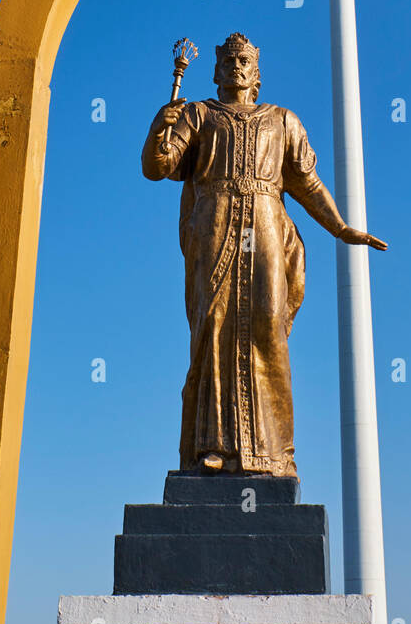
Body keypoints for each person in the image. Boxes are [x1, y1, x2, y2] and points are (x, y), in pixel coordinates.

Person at [142, 32, 386, 478]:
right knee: (214, 326)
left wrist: (341, 227)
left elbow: (307, 183)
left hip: (267, 226)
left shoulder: (282, 121)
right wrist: (161, 123)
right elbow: (158, 167)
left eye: (244, 60)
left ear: (256, 72)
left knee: (267, 326)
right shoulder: (197, 114)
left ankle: (274, 453)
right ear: (216, 71)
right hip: (213, 227)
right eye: (230, 59)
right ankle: (212, 447)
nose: (236, 65)